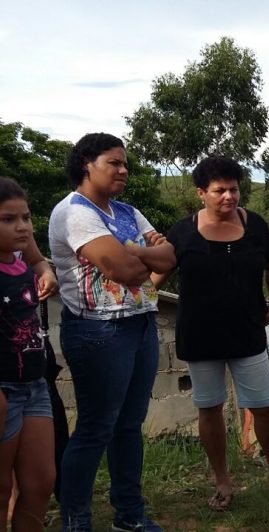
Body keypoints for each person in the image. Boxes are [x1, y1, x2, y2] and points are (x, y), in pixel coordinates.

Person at [49, 133, 175, 532]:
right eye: (113, 162)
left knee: (128, 424)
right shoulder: (74, 213)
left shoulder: (127, 211)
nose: (123, 170)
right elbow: (121, 270)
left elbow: (170, 256)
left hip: (139, 324)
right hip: (97, 331)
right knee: (95, 427)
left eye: (125, 163)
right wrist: (140, 255)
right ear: (86, 163)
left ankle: (129, 514)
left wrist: (133, 252)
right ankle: (76, 521)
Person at [151, 156, 269, 511]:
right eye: (219, 190)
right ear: (201, 193)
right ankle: (223, 481)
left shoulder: (255, 225)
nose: (229, 196)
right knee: (209, 407)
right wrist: (135, 294)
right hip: (201, 335)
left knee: (263, 406)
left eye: (234, 189)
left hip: (248, 332)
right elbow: (158, 273)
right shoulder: (183, 231)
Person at [0, 177, 58, 531]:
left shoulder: (20, 254)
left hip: (34, 385)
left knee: (40, 483)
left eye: (26, 217)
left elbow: (39, 261)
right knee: (1, 487)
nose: (22, 226)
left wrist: (46, 272)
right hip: (3, 389)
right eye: (8, 219)